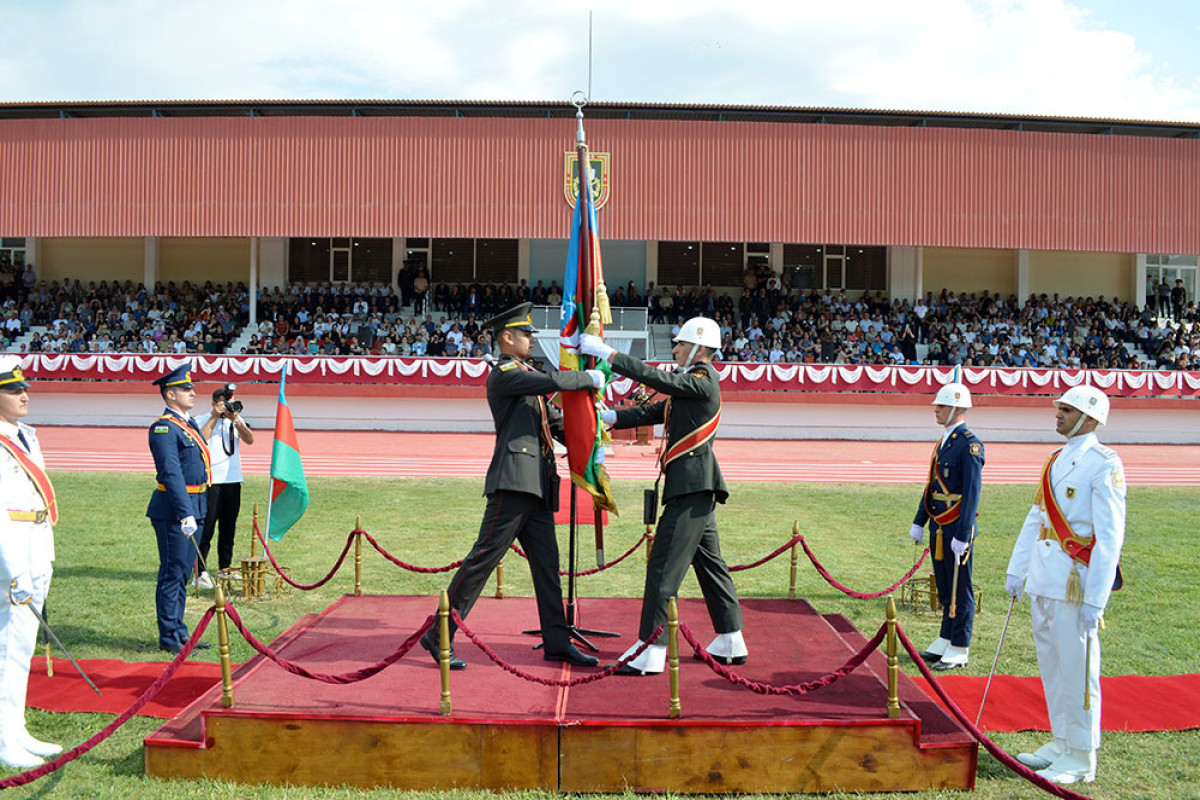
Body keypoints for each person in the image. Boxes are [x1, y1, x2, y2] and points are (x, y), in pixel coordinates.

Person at [419, 302, 604, 670]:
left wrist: (601, 433)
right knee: (482, 561)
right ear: (507, 337)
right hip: (513, 482)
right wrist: (587, 378)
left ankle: (556, 641)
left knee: (548, 569)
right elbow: (551, 381)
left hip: (536, 486)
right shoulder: (505, 373)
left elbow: (560, 424)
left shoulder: (525, 376)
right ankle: (437, 634)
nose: (532, 341)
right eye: (526, 334)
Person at [580, 317, 747, 675]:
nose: (675, 349)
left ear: (700, 348)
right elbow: (657, 410)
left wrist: (610, 355)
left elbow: (659, 380)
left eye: (682, 344)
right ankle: (731, 638)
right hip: (695, 487)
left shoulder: (703, 381)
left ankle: (651, 648)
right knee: (710, 566)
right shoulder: (692, 386)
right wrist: (611, 417)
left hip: (690, 488)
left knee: (662, 567)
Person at [1005, 386, 1125, 785]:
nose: (1057, 414)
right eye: (1059, 407)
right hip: (1045, 578)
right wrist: (1017, 569)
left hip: (1077, 584)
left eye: (1067, 410)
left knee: (1078, 670)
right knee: (1053, 667)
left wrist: (1097, 598)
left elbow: (1110, 537)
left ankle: (1082, 755)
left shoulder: (1104, 463)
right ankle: (1061, 740)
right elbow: (1035, 516)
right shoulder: (1055, 459)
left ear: (1090, 419)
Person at [0, 356, 62, 769]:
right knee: (9, 647)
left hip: (36, 543)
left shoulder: (25, 434)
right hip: (13, 551)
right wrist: (14, 570)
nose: (24, 394)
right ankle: (4, 740)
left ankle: (15, 727)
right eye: (13, 389)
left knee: (22, 648)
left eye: (24, 388)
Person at [909, 381, 984, 671]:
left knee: (959, 586)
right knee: (943, 583)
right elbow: (932, 484)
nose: (936, 410)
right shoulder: (945, 441)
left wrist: (964, 534)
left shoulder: (969, 444)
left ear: (955, 407)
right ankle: (945, 636)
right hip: (939, 526)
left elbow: (972, 492)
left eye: (940, 405)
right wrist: (920, 520)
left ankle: (960, 646)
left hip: (956, 527)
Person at [146, 365, 212, 655]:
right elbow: (171, 473)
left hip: (195, 506)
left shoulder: (188, 424)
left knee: (184, 572)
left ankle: (180, 631)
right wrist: (185, 512)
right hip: (175, 510)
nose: (193, 392)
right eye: (186, 389)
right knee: (173, 573)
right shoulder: (164, 428)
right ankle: (169, 636)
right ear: (170, 395)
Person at [195, 383, 254, 587]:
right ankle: (200, 570)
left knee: (229, 529)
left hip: (233, 481)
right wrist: (213, 416)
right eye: (221, 404)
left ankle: (224, 568)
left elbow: (250, 439)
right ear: (213, 403)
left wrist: (235, 420)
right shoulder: (202, 419)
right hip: (212, 482)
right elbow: (200, 439)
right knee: (207, 528)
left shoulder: (235, 420)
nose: (225, 408)